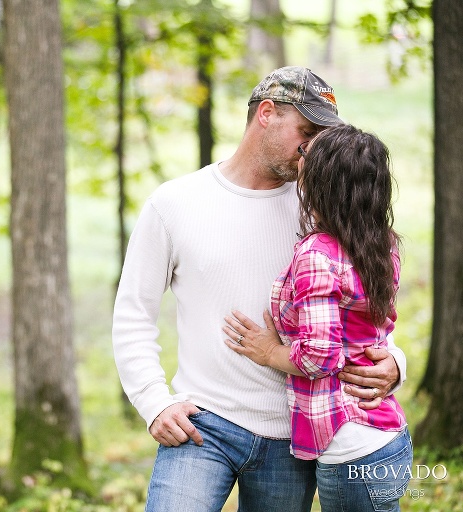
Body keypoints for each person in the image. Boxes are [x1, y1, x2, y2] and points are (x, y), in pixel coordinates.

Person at [111, 66, 407, 512]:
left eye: (321, 141)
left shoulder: (323, 207)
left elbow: (361, 307)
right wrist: (154, 402)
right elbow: (133, 313)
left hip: (295, 438)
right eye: (306, 134)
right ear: (266, 114)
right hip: (202, 424)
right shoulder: (175, 203)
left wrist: (394, 364)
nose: (311, 152)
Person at [223, 124, 411, 512]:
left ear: (322, 184)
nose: (301, 156)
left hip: (352, 448)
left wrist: (269, 352)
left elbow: (318, 357)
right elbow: (368, 332)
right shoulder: (383, 240)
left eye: (310, 154)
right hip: (386, 437)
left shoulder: (317, 254)